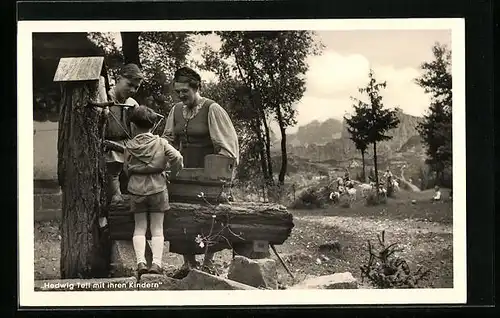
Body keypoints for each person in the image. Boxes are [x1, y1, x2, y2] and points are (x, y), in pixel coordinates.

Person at [162, 66, 239, 275]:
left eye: (184, 91)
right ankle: (188, 263)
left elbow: (226, 145)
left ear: (197, 88)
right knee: (181, 216)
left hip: (207, 174)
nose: (180, 95)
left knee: (208, 216)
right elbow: (168, 138)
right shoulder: (176, 110)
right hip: (182, 170)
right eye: (177, 91)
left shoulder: (212, 109)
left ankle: (207, 262)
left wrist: (220, 173)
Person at [123, 105, 184, 276]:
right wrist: (171, 173)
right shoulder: (161, 143)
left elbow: (126, 168)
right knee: (157, 228)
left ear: (133, 126)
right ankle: (156, 263)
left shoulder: (129, 146)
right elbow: (178, 158)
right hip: (158, 188)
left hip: (136, 189)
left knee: (139, 227)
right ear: (153, 125)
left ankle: (141, 262)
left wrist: (133, 175)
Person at [104, 63, 143, 204]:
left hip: (126, 147)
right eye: (129, 84)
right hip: (108, 147)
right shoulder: (105, 98)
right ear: (118, 79)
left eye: (136, 87)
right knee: (112, 174)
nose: (133, 90)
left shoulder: (132, 103)